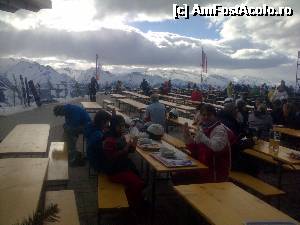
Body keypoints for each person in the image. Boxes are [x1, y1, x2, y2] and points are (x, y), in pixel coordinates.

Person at [179, 104, 234, 183]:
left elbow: (216, 147)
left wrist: (202, 137)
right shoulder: (203, 127)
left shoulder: (219, 129)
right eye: (203, 115)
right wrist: (187, 137)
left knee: (183, 179)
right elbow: (196, 149)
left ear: (215, 116)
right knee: (179, 176)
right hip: (203, 167)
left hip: (215, 172)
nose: (206, 117)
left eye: (209, 115)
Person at [102, 115, 145, 208]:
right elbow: (110, 157)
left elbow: (130, 151)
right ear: (113, 126)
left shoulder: (120, 136)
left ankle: (135, 200)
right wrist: (125, 150)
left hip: (122, 167)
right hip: (114, 171)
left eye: (123, 126)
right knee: (137, 183)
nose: (123, 128)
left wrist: (134, 142)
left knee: (140, 180)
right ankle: (129, 204)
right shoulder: (109, 139)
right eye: (120, 126)